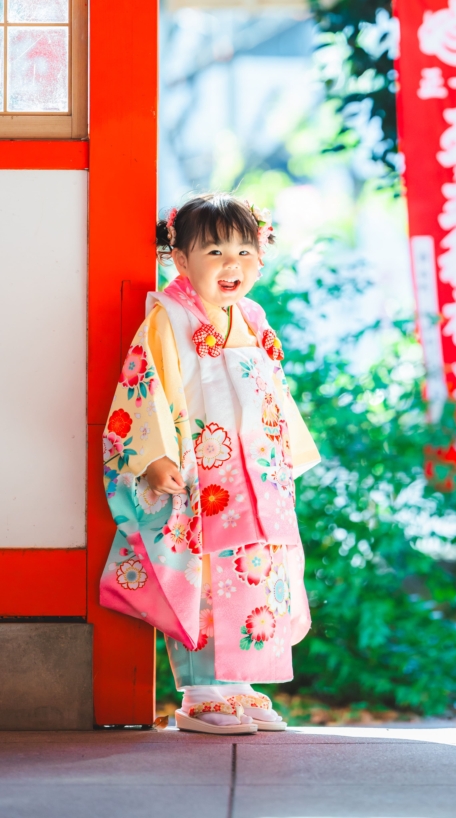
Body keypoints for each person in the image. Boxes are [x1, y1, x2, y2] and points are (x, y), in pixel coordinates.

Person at [100, 193, 320, 734]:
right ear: (180, 259)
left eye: (246, 252)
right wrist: (153, 457)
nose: (232, 265)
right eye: (215, 251)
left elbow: (272, 391)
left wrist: (284, 452)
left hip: (254, 473)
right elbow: (144, 385)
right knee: (202, 576)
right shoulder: (169, 315)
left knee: (253, 571)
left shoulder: (251, 315)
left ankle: (241, 684)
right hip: (203, 473)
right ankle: (200, 692)